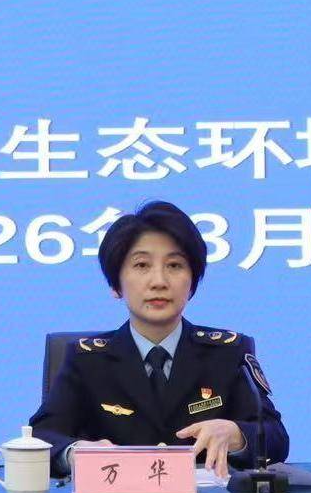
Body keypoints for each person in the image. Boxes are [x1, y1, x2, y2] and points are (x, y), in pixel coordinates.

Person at [29, 200, 288, 478]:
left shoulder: (227, 353)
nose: (159, 281)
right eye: (141, 265)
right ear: (116, 285)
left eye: (174, 265)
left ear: (192, 282)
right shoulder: (87, 360)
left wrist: (237, 434)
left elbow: (275, 437)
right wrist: (75, 453)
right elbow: (41, 437)